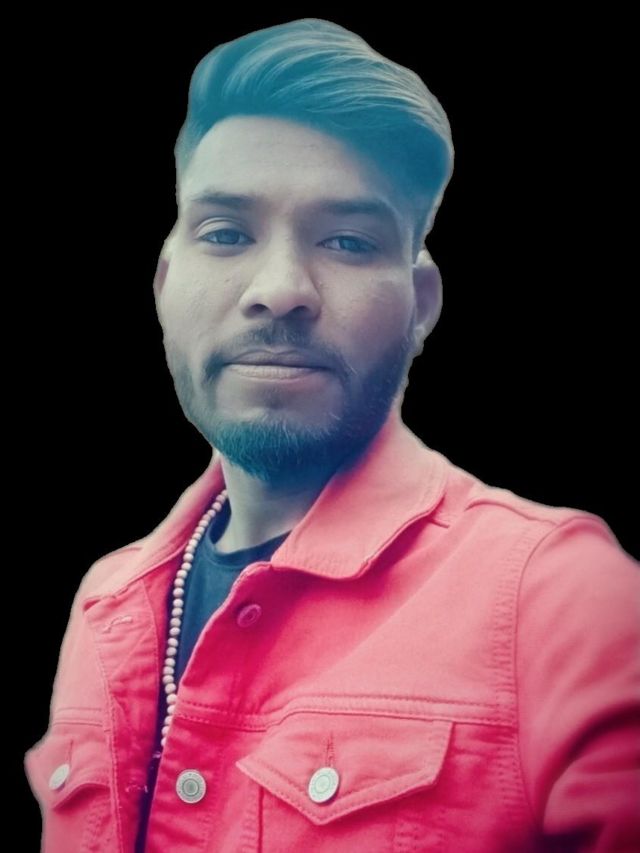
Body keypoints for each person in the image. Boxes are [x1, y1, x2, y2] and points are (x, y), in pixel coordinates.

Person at [24, 18, 639, 852]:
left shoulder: (562, 597)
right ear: (164, 284)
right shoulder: (104, 602)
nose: (281, 289)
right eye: (226, 234)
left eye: (347, 241)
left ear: (421, 305)